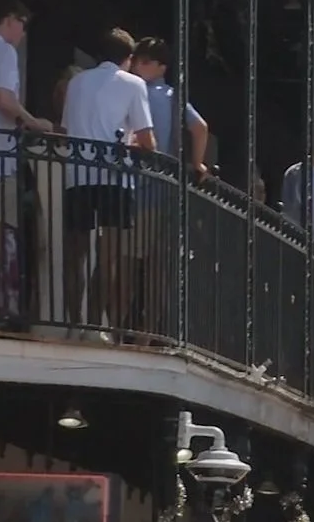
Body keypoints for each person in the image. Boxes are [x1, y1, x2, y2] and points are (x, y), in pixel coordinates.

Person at [60, 28, 155, 327]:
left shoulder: (76, 82)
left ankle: (73, 322)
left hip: (77, 174)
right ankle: (93, 324)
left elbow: (66, 129)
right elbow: (147, 141)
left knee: (75, 254)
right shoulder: (133, 84)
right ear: (128, 58)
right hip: (114, 177)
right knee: (109, 253)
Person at [0, 0, 53, 320]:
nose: (23, 33)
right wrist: (34, 122)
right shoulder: (2, 51)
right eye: (23, 25)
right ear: (9, 20)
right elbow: (2, 98)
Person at [127, 40, 208, 179]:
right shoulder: (173, 97)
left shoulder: (131, 90)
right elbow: (200, 127)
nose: (137, 67)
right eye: (135, 61)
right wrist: (198, 164)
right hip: (165, 177)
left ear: (162, 67)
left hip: (134, 173)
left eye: (145, 62)